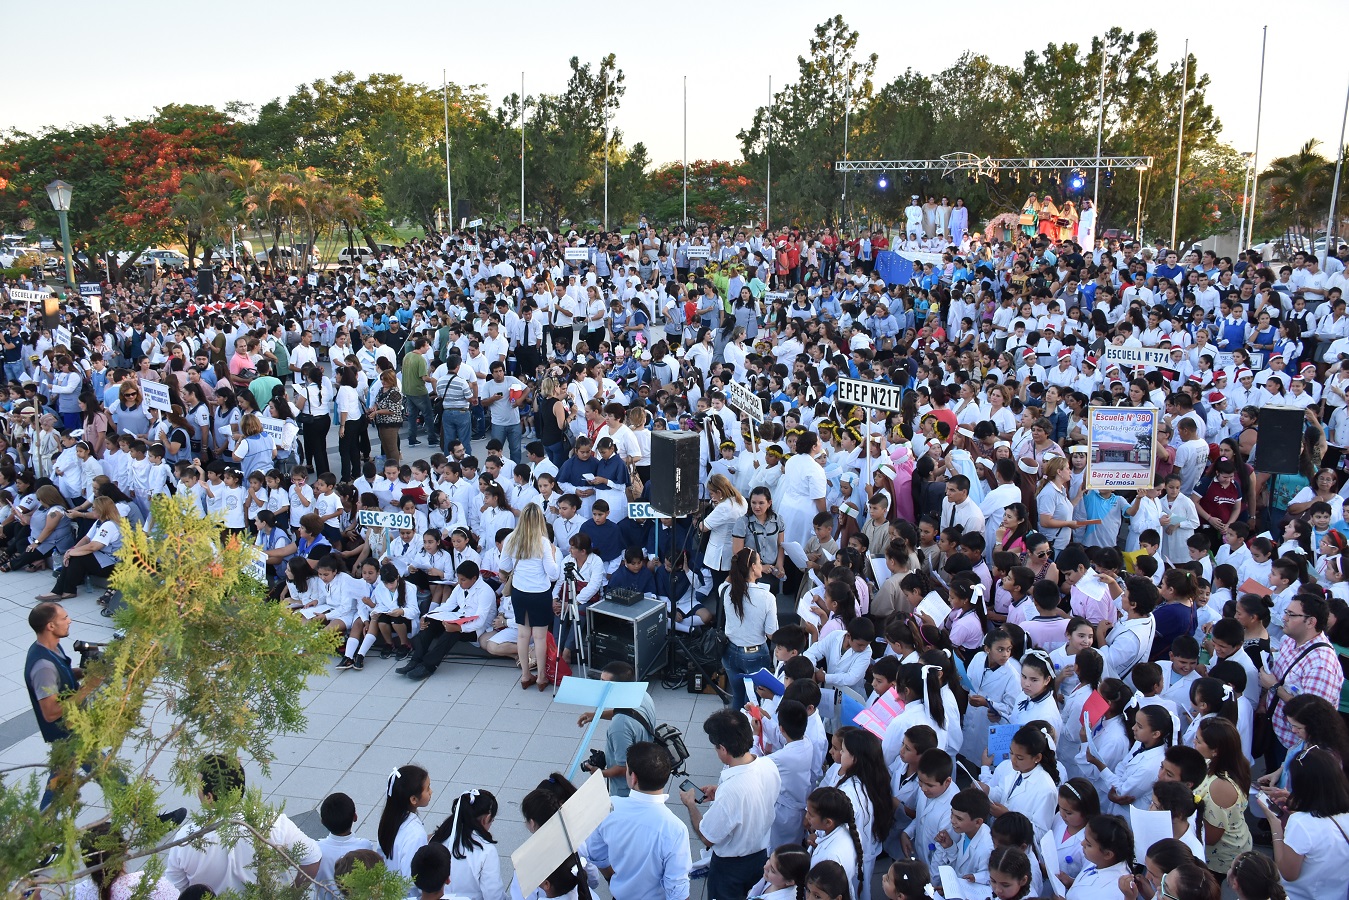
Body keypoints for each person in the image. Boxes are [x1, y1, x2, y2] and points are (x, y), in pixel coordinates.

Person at [164, 754, 321, 893]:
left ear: (209, 796)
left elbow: (174, 889)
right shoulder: (273, 822)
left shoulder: (186, 837)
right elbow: (313, 859)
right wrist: (291, 895)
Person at [680, 709, 782, 900]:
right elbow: (757, 798)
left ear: (723, 749)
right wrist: (720, 792)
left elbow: (707, 837)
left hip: (731, 869)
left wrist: (690, 805)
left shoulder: (732, 790)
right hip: (761, 856)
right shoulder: (768, 765)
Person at [588, 741, 693, 900]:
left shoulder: (608, 808)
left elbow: (596, 853)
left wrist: (613, 879)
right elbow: (678, 889)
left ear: (633, 777)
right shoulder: (675, 828)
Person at [1258, 593, 1345, 765]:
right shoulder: (1289, 640)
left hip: (1296, 746)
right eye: (1286, 612)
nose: (1284, 618)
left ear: (1311, 622)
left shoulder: (1321, 663)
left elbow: (1312, 714)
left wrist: (1274, 687)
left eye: (1291, 614)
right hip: (1276, 730)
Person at [1257, 746, 1349, 900]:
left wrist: (1275, 826)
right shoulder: (1343, 813)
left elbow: (1288, 873)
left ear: (1304, 785)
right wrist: (1298, 803)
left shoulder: (1300, 823)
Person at [497, 502, 561, 690]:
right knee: (539, 637)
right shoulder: (542, 542)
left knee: (523, 635)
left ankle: (525, 675)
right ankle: (541, 677)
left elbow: (505, 567)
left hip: (519, 592)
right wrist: (554, 555)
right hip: (539, 593)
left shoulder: (511, 538)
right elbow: (554, 574)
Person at [576, 660, 658, 797]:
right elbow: (628, 711)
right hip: (645, 772)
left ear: (617, 689)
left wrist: (598, 772)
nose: (600, 686)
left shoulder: (619, 726)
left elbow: (622, 768)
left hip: (626, 791)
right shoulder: (643, 696)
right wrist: (597, 715)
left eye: (604, 683)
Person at [720, 547, 779, 711]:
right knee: (754, 701)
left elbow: (729, 580)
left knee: (738, 696)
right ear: (753, 567)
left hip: (729, 652)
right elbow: (772, 633)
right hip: (756, 655)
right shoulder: (767, 597)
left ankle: (735, 730)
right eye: (759, 562)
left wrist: (737, 567)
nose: (762, 565)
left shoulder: (725, 591)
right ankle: (750, 734)